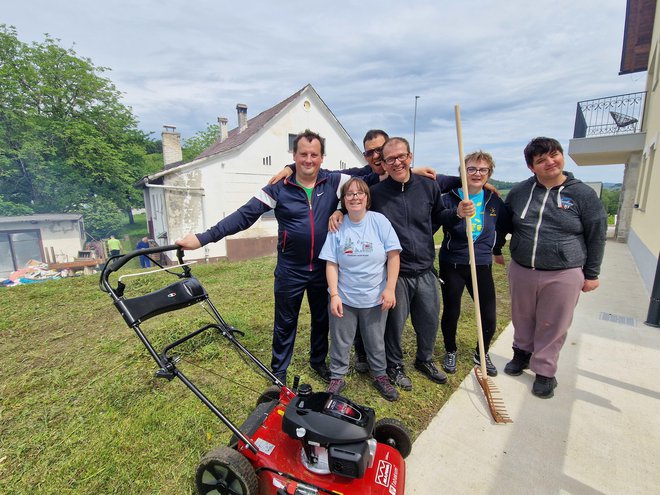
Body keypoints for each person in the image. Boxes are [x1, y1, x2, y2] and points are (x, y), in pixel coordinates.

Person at [176, 130, 353, 385]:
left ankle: (318, 361)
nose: (308, 160)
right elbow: (245, 215)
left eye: (314, 155)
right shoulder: (278, 187)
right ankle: (278, 371)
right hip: (291, 269)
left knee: (321, 319)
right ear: (294, 156)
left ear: (322, 157)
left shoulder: (336, 181)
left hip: (324, 268)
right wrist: (204, 238)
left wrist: (340, 210)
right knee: (285, 322)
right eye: (303, 154)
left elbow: (369, 178)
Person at [502, 137, 607, 399]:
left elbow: (597, 233)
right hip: (523, 267)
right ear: (531, 167)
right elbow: (504, 221)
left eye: (554, 155)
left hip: (563, 272)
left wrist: (592, 273)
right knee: (522, 317)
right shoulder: (520, 192)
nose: (550, 162)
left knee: (553, 323)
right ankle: (521, 355)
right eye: (541, 160)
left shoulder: (582, 194)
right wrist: (494, 248)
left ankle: (545, 371)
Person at [369, 137, 474, 391]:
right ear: (383, 163)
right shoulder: (376, 194)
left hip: (426, 269)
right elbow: (355, 209)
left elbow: (439, 216)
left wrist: (458, 213)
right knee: (394, 325)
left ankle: (424, 359)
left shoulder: (428, 187)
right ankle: (394, 366)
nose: (397, 162)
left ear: (410, 156)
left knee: (428, 321)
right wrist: (339, 212)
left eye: (401, 156)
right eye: (390, 158)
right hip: (396, 273)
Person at [319, 178, 402, 401]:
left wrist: (390, 288)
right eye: (350, 194)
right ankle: (337, 376)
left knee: (375, 340)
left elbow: (393, 256)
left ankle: (380, 375)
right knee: (340, 339)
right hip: (345, 296)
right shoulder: (338, 225)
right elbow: (331, 263)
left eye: (360, 193)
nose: (355, 197)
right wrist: (334, 294)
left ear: (367, 198)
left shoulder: (379, 221)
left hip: (375, 296)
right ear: (343, 201)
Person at [438, 151, 510, 378]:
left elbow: (505, 225)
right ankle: (451, 350)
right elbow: (439, 219)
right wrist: (457, 214)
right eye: (471, 169)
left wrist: (496, 248)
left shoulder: (493, 200)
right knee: (452, 310)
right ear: (462, 172)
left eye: (483, 170)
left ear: (489, 174)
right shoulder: (448, 197)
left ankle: (482, 352)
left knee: (488, 314)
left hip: (481, 264)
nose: (477, 173)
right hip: (453, 263)